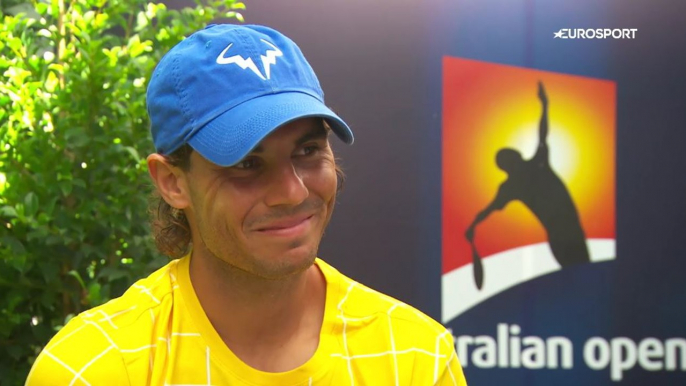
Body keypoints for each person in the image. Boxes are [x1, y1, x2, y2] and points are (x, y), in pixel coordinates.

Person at [26, 24, 467, 385]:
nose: (292, 192)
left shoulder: (415, 358)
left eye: (308, 150)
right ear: (173, 182)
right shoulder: (93, 369)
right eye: (246, 163)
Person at [465, 82, 590, 273]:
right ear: (510, 162)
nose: (516, 155)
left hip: (571, 232)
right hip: (561, 236)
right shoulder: (514, 183)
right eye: (511, 156)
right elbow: (488, 210)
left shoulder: (526, 172)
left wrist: (545, 105)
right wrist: (473, 225)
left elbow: (542, 134)